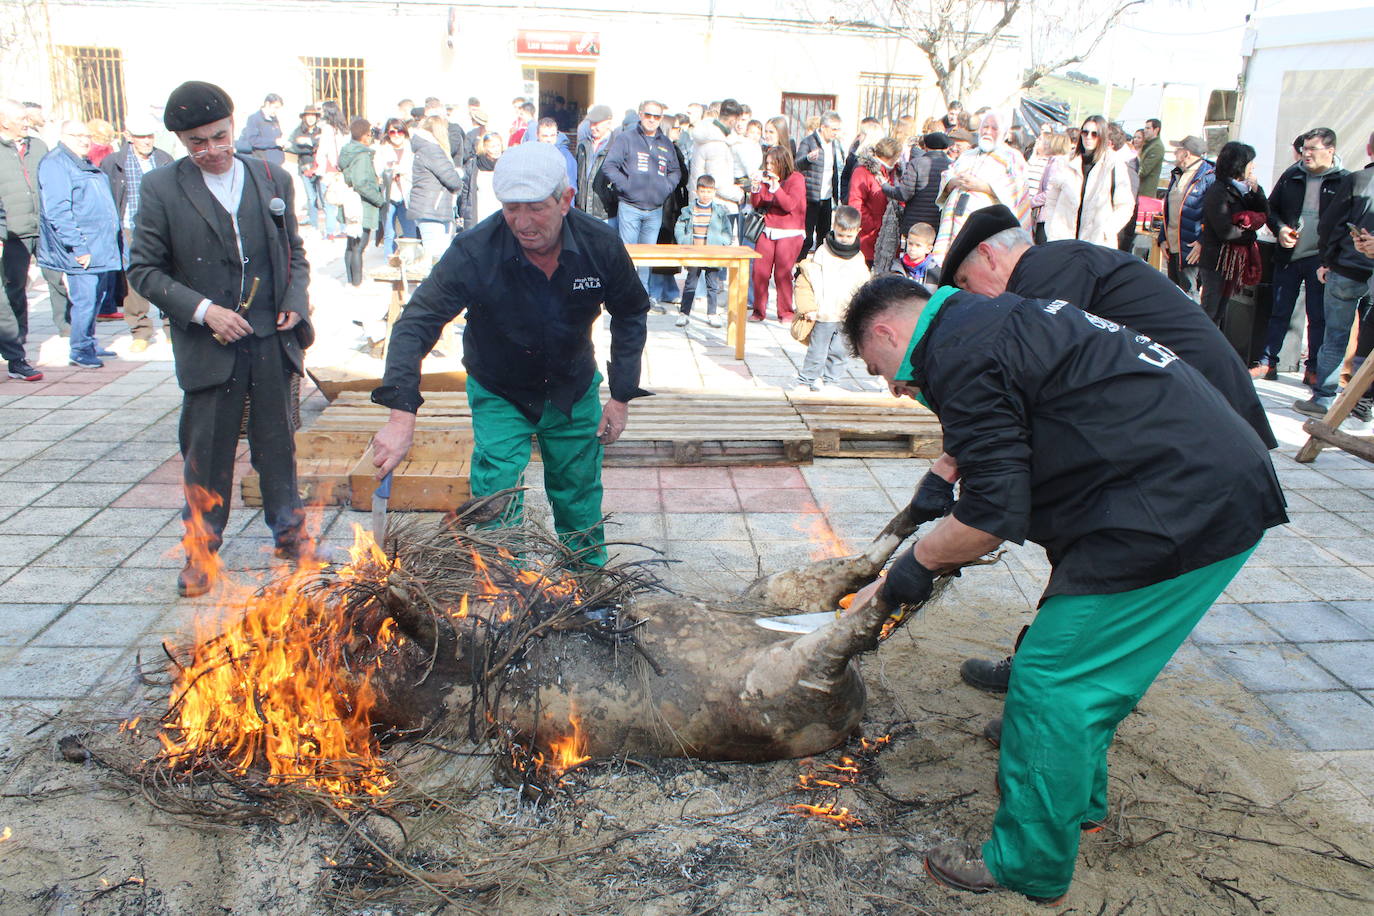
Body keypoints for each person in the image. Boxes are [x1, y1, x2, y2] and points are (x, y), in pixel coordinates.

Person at [842, 275, 1285, 905]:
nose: (891, 385)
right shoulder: (983, 320)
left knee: (1052, 679)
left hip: (1178, 507)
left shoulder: (958, 352)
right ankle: (1079, 806)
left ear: (886, 332)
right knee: (1084, 675)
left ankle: (1028, 864)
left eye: (876, 366)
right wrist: (943, 475)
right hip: (1192, 481)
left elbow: (991, 517)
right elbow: (1011, 407)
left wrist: (906, 572)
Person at [371, 142, 650, 567]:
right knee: (496, 494)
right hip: (499, 388)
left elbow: (631, 314)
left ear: (566, 199)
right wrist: (400, 414)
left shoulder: (601, 246)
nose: (522, 223)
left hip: (571, 387)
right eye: (510, 208)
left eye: (535, 208)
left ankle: (588, 589)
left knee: (577, 493)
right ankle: (503, 589)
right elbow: (415, 324)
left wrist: (621, 395)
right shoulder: (474, 251)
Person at [127, 80, 314, 596]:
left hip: (269, 344)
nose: (211, 150)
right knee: (205, 453)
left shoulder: (271, 176)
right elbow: (143, 270)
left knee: (277, 446)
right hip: (210, 349)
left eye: (219, 136)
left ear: (233, 125)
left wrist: (294, 302)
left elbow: (294, 251)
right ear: (182, 143)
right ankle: (201, 554)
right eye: (197, 143)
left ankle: (290, 535)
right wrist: (205, 311)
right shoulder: (163, 188)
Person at [1255, 128, 1346, 385]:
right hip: (1288, 255)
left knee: (1318, 317)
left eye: (1312, 149)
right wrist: (1281, 228)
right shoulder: (1292, 174)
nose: (1305, 154)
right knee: (1279, 310)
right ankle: (1267, 362)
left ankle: (1313, 368)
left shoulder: (1344, 180)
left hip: (1321, 259)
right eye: (1304, 149)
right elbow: (1270, 209)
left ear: (1330, 151)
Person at [1293, 131, 1374, 417]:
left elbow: (1331, 223)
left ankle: (1325, 399)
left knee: (1336, 335)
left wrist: (1326, 259)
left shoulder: (1356, 180)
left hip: (1346, 268)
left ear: (1368, 148)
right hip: (1363, 269)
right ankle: (1361, 401)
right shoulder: (1355, 180)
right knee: (1368, 339)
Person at [37, 119, 121, 369]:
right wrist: (78, 247)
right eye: (77, 135)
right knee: (85, 299)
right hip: (83, 248)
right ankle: (80, 349)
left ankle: (89, 341)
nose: (84, 140)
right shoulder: (56, 163)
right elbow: (58, 210)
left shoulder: (82, 161)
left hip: (101, 246)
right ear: (64, 136)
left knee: (97, 296)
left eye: (87, 136)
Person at [1, 97, 71, 359]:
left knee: (57, 278)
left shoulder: (38, 145)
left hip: (43, 225)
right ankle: (17, 335)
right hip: (13, 231)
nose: (26, 123)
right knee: (15, 285)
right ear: (4, 121)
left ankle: (66, 326)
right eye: (20, 119)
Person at [99, 113, 173, 352]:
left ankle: (172, 326)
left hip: (161, 226)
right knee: (134, 279)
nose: (146, 141)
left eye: (150, 136)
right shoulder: (114, 162)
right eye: (141, 137)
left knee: (167, 276)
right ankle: (140, 330)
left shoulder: (164, 159)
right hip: (130, 225)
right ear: (129, 137)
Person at [602, 100, 681, 299]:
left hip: (654, 209)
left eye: (656, 116)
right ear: (640, 114)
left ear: (661, 119)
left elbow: (675, 171)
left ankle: (643, 297)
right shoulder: (626, 138)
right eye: (648, 115)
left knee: (647, 257)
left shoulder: (665, 143)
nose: (652, 120)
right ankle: (625, 297)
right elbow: (609, 166)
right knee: (627, 255)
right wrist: (627, 186)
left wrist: (665, 189)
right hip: (630, 207)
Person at [933, 110, 1027, 262]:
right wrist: (954, 181)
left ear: (1003, 132)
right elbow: (947, 175)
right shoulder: (967, 155)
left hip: (986, 229)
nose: (988, 131)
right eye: (985, 127)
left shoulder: (1011, 157)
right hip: (953, 223)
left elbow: (1016, 189)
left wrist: (982, 186)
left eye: (994, 128)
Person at [793, 204, 867, 391]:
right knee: (817, 351)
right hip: (824, 313)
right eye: (840, 235)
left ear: (858, 232)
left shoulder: (858, 258)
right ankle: (806, 380)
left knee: (840, 352)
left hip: (845, 314)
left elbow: (864, 285)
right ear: (834, 228)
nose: (843, 240)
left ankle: (831, 381)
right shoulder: (822, 253)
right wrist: (808, 307)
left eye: (849, 236)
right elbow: (807, 280)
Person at [1197, 141, 1268, 331]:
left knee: (1220, 311)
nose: (1253, 167)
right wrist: (1251, 236)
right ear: (1238, 164)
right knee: (1210, 310)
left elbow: (1264, 212)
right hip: (1216, 261)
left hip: (1231, 263)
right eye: (1250, 162)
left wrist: (1257, 191)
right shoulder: (1218, 190)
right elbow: (1225, 230)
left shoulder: (1243, 190)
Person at [1041, 115, 1136, 248]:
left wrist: (1107, 231)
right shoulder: (1066, 161)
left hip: (1096, 243)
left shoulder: (1114, 164)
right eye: (1085, 132)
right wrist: (1051, 226)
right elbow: (1052, 199)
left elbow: (1125, 206)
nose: (1088, 137)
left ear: (1102, 136)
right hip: (1062, 241)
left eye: (1094, 134)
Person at [748, 144, 806, 322]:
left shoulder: (796, 179)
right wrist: (756, 187)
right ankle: (759, 311)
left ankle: (786, 312)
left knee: (782, 273)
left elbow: (789, 205)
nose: (769, 167)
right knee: (759, 271)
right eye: (767, 162)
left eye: (772, 163)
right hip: (768, 228)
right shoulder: (767, 178)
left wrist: (776, 188)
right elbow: (758, 203)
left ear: (782, 163)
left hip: (790, 232)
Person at [1158, 135, 1214, 300]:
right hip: (1173, 245)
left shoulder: (1208, 176)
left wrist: (1203, 241)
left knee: (1189, 294)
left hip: (1190, 247)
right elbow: (1169, 209)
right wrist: (1163, 237)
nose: (1175, 153)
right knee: (1173, 292)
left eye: (1178, 150)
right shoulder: (1177, 174)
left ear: (1187, 154)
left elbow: (1213, 215)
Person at [673, 173, 733, 328]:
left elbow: (727, 231)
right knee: (690, 284)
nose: (706, 195)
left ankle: (712, 313)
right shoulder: (689, 210)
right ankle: (684, 313)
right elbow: (679, 227)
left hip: (712, 253)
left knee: (712, 285)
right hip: (694, 252)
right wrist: (684, 240)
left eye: (709, 191)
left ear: (714, 192)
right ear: (697, 191)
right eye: (703, 191)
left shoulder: (719, 212)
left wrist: (722, 242)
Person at [408, 114, 464, 258]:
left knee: (435, 256)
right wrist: (459, 174)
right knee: (435, 259)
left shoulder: (423, 147)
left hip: (428, 208)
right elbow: (453, 181)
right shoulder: (432, 150)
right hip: (432, 209)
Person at [688, 98, 747, 233]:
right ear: (733, 119)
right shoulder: (716, 144)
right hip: (716, 208)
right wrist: (740, 195)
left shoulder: (706, 134)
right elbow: (718, 184)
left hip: (702, 205)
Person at [337, 118, 383, 285]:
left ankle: (350, 281)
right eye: (370, 134)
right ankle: (356, 283)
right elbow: (361, 183)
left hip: (350, 204)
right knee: (359, 246)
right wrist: (379, 200)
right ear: (364, 135)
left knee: (351, 245)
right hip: (362, 206)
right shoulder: (362, 155)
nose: (371, 137)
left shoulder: (348, 151)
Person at [794, 110, 844, 257]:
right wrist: (808, 158)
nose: (836, 133)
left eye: (838, 129)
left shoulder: (835, 145)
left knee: (824, 235)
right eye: (834, 129)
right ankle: (798, 269)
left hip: (827, 197)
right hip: (810, 197)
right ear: (823, 127)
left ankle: (820, 265)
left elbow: (837, 169)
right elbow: (797, 164)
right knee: (807, 237)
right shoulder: (809, 142)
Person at [847, 137, 900, 267]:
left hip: (889, 237)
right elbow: (856, 203)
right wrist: (873, 225)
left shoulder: (896, 172)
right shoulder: (863, 171)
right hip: (868, 238)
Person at [375, 118, 416, 257]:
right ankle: (389, 262)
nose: (397, 135)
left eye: (400, 131)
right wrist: (389, 172)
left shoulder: (412, 149)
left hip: (407, 196)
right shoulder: (382, 150)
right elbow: (379, 170)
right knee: (389, 234)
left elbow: (415, 170)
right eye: (392, 132)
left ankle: (411, 262)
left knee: (410, 233)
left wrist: (401, 170)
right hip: (389, 195)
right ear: (388, 133)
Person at [1028, 132, 1072, 245]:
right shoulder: (1057, 162)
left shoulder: (1057, 163)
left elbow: (1049, 192)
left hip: (1047, 217)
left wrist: (1032, 202)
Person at [575, 105, 616, 222]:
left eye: (596, 123)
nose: (592, 127)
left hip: (605, 214)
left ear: (608, 123)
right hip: (583, 212)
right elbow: (579, 175)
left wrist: (610, 198)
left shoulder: (617, 147)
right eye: (591, 123)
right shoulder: (583, 145)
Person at [289, 106, 325, 233]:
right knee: (311, 197)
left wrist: (308, 142)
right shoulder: (298, 131)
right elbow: (292, 146)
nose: (310, 119)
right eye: (308, 116)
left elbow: (323, 146)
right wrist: (310, 145)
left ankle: (328, 227)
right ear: (304, 117)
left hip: (319, 167)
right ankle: (314, 225)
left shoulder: (320, 130)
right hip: (305, 168)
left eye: (313, 116)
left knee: (323, 197)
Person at [318, 100, 348, 239]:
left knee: (329, 201)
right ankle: (344, 228)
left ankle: (330, 231)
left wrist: (320, 167)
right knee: (341, 200)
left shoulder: (327, 129)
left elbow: (323, 151)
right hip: (342, 168)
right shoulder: (344, 129)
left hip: (329, 169)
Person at [460, 131, 504, 227]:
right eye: (492, 147)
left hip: (502, 215)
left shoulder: (507, 164)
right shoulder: (474, 165)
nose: (497, 149)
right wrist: (464, 213)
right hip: (480, 214)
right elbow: (466, 191)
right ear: (485, 148)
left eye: (498, 145)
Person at [235, 93, 286, 167]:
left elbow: (278, 136)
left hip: (277, 163)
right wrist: (275, 142)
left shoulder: (274, 119)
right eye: (275, 107)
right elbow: (253, 141)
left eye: (279, 108)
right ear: (267, 104)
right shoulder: (254, 118)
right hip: (264, 164)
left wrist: (283, 143)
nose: (277, 111)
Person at [841, 117, 883, 200]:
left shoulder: (879, 158)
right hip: (854, 202)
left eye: (862, 134)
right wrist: (845, 197)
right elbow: (845, 176)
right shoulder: (855, 154)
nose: (859, 136)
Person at [890, 222, 939, 289]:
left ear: (928, 249)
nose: (912, 248)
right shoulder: (896, 267)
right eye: (910, 243)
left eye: (918, 245)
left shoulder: (935, 271)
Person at [1138, 118, 1165, 201]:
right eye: (1145, 128)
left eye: (1148, 128)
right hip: (1140, 192)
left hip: (1145, 194)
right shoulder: (1149, 145)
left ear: (1156, 130)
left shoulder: (1156, 147)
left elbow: (1143, 171)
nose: (1145, 131)